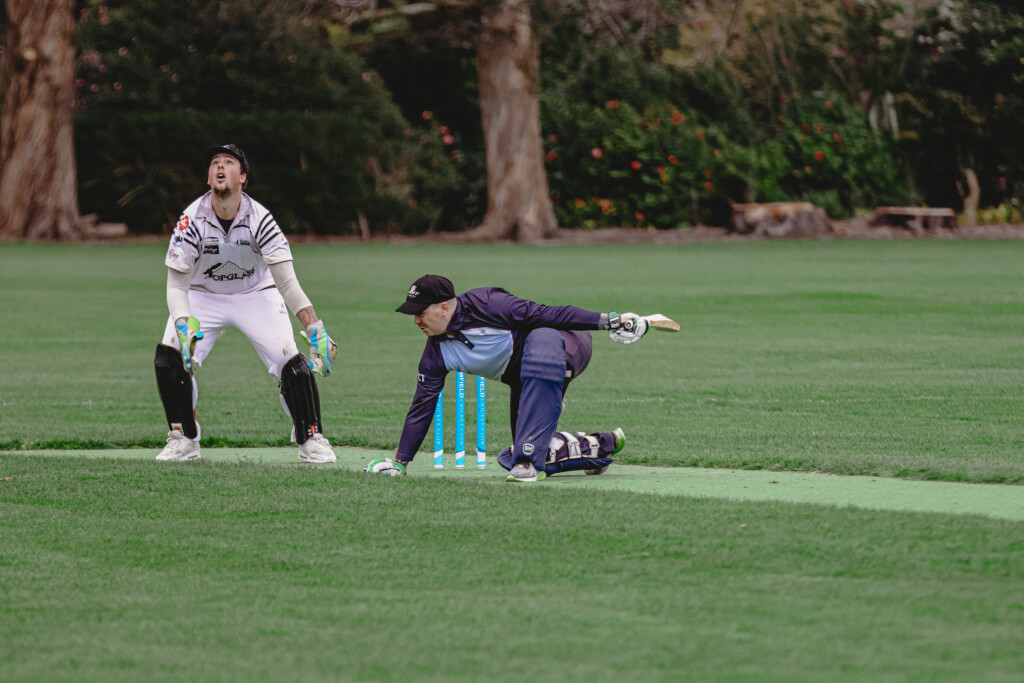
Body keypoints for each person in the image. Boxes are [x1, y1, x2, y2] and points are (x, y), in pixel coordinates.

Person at [153, 144, 338, 463]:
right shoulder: (190, 220)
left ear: (243, 177)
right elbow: (176, 285)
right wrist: (183, 324)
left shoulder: (261, 219)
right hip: (201, 294)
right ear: (208, 177)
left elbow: (287, 283)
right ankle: (183, 439)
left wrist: (315, 328)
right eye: (214, 162)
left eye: (228, 162)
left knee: (291, 362)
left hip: (256, 293)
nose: (220, 167)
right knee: (169, 357)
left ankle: (311, 438)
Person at [391, 274, 651, 482]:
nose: (415, 320)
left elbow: (548, 315)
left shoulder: (487, 303)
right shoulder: (435, 355)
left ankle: (531, 458)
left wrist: (608, 320)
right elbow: (422, 407)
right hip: (525, 379)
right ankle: (597, 447)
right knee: (519, 453)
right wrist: (400, 464)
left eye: (420, 312)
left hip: (566, 342)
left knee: (541, 339)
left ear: (444, 308)